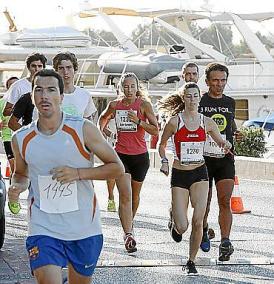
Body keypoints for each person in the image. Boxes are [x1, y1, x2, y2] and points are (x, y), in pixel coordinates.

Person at [7, 69, 124, 284]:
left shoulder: (83, 129)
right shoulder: (21, 138)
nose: (44, 96)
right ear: (32, 97)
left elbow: (117, 167)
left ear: (61, 97)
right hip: (43, 225)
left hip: (83, 226)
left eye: (51, 90)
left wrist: (78, 173)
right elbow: (21, 174)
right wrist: (17, 187)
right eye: (39, 90)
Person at [158, 82, 232, 275]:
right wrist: (164, 160)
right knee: (182, 227)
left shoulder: (207, 122)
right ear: (184, 99)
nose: (192, 100)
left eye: (195, 96)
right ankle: (174, 218)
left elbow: (220, 141)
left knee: (198, 221)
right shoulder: (175, 122)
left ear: (200, 98)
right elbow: (162, 144)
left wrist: (226, 144)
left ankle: (191, 261)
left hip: (200, 173)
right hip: (180, 174)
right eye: (188, 96)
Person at [98, 72, 159, 253]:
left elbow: (155, 130)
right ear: (121, 87)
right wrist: (106, 134)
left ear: (137, 87)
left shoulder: (144, 105)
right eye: (126, 86)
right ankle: (128, 234)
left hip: (140, 157)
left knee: (134, 196)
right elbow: (102, 119)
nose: (129, 89)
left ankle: (129, 224)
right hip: (121, 155)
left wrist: (139, 121)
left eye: (132, 86)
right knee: (125, 195)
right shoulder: (115, 105)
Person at [199, 62, 241, 261]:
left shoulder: (230, 102)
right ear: (207, 81)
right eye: (215, 80)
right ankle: (204, 228)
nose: (219, 84)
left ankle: (225, 241)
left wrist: (234, 132)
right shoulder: (199, 101)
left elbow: (229, 121)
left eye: (223, 80)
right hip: (204, 159)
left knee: (224, 201)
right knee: (204, 204)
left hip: (225, 158)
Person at [52, 52, 97, 122]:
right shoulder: (50, 94)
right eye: (61, 68)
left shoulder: (84, 94)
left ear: (75, 70)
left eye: (68, 67)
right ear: (56, 71)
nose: (65, 72)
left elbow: (88, 121)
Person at [0, 76, 19, 174]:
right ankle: (13, 185)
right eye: (11, 85)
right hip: (7, 137)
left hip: (21, 137)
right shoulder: (2, 102)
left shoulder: (25, 100)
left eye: (16, 84)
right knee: (13, 164)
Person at [102, 118, 117, 212]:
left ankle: (126, 201)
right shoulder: (113, 109)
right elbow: (102, 126)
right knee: (111, 174)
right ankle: (111, 198)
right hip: (112, 146)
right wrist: (112, 134)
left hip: (128, 146)